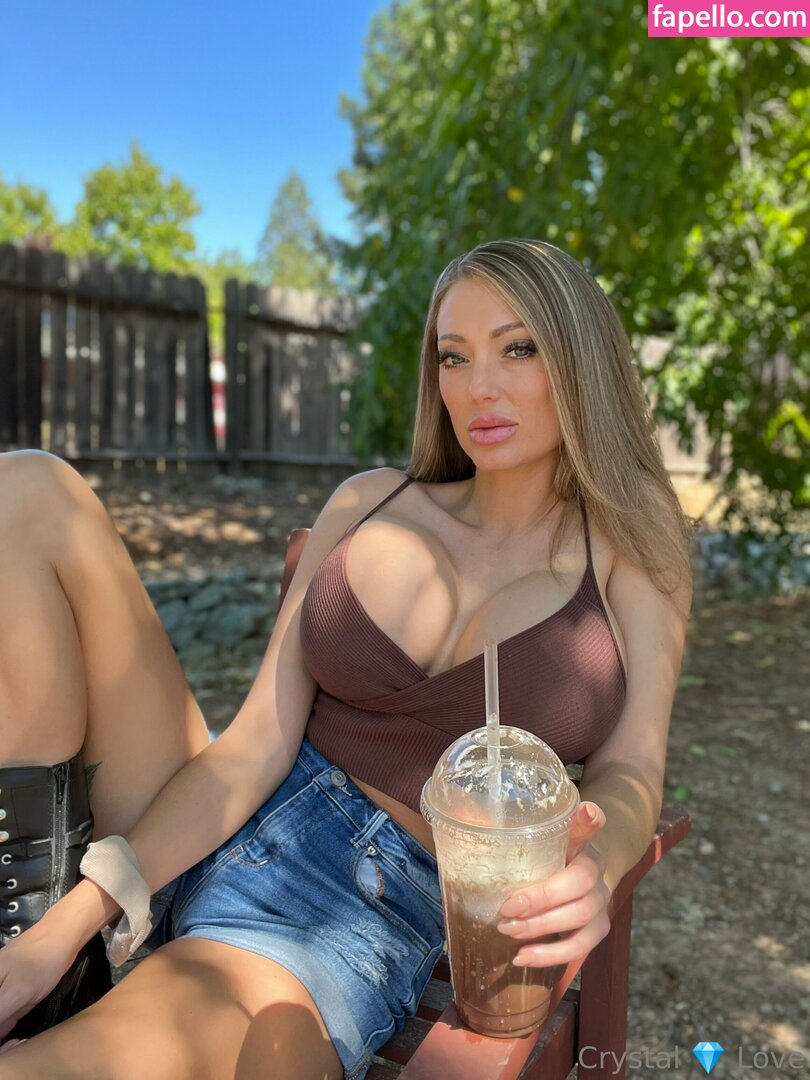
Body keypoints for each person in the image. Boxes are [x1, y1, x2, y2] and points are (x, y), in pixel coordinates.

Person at [0, 238, 693, 1079]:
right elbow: (253, 748)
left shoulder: (630, 542)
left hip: (343, 908)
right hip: (215, 808)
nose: (479, 386)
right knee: (27, 491)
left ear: (578, 357)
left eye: (518, 348)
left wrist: (603, 861)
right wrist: (62, 931)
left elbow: (632, 769)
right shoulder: (371, 501)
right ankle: (30, 936)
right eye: (454, 356)